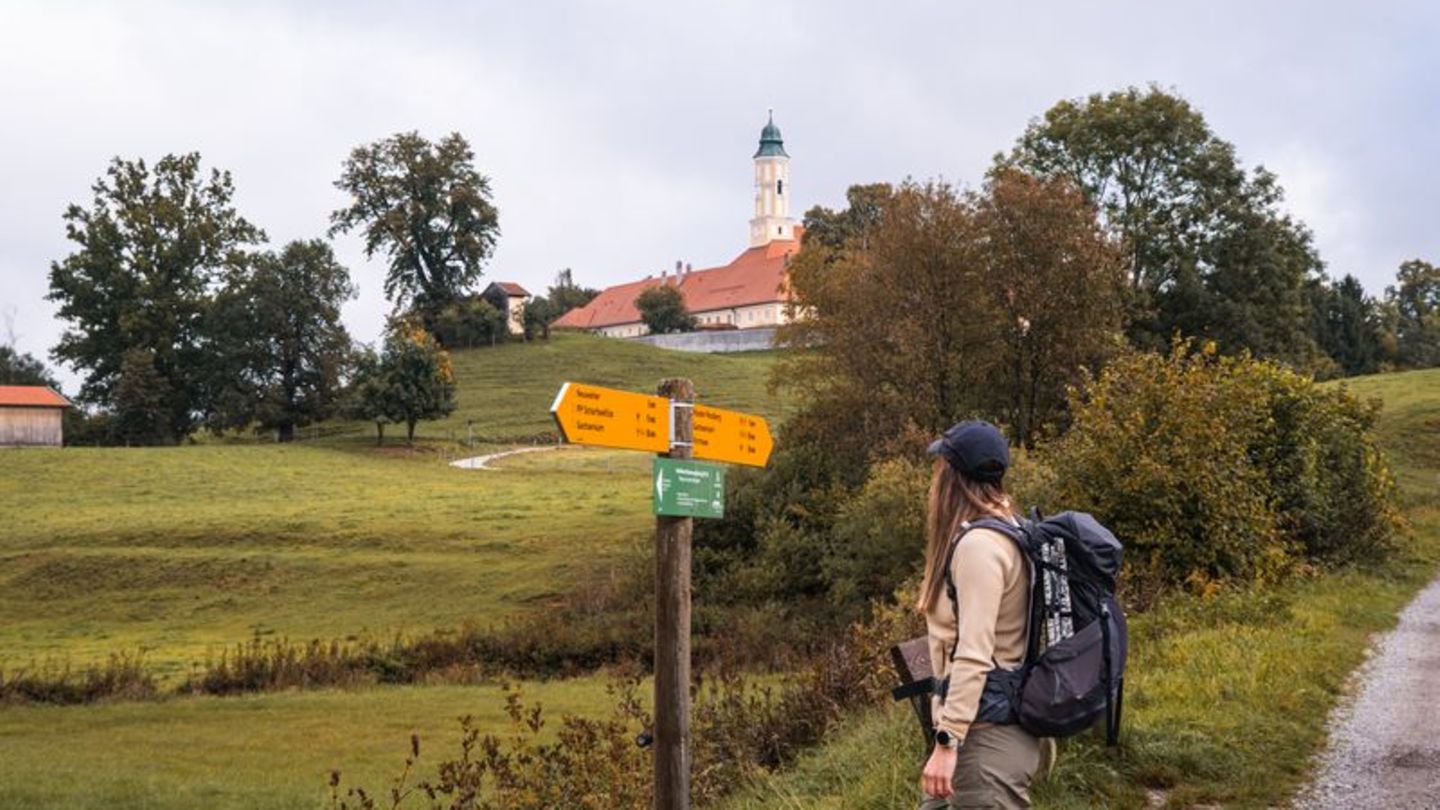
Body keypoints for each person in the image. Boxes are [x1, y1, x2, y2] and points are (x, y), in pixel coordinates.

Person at [917, 420, 1041, 809]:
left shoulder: (979, 547)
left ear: (951, 477)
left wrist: (947, 741)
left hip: (985, 741)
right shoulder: (1013, 529)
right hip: (989, 730)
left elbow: (974, 652)